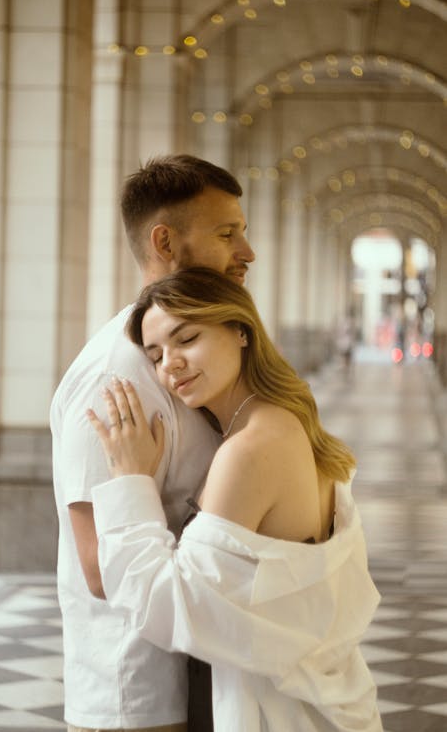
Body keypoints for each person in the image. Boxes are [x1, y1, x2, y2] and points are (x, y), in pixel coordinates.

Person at [87, 267, 383, 732]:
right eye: (156, 354)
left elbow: (171, 606)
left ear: (239, 329)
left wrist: (130, 481)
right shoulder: (281, 421)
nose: (170, 365)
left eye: (186, 338)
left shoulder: (249, 450)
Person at [50, 157, 255, 732]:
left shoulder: (172, 362)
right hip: (134, 694)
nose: (247, 251)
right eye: (226, 233)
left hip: (195, 672)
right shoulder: (115, 378)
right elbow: (98, 568)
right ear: (165, 241)